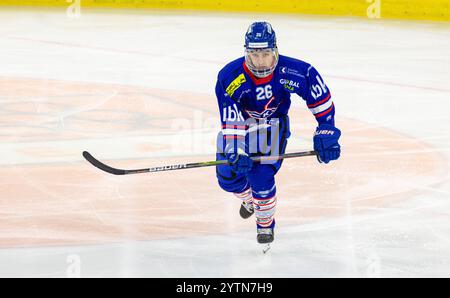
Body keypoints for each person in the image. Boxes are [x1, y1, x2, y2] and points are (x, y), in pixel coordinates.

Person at [215, 21, 341, 245]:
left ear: (275, 51)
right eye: (255, 55)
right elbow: (230, 116)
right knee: (227, 178)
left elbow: (318, 96)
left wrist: (326, 129)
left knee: (260, 176)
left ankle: (265, 226)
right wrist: (236, 147)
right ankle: (250, 199)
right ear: (246, 54)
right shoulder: (229, 77)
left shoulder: (292, 71)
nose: (261, 61)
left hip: (273, 125)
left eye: (265, 54)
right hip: (243, 126)